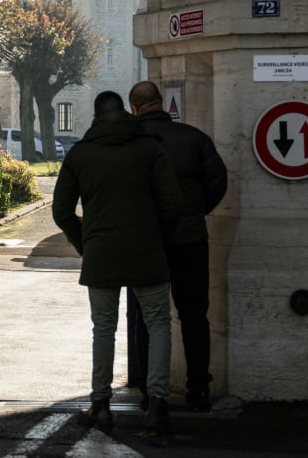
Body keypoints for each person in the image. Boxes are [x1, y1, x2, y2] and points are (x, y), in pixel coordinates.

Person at [52, 91, 183, 433]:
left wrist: (86, 243)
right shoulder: (149, 148)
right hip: (146, 250)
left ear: (95, 118)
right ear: (126, 113)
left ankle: (100, 404)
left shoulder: (80, 154)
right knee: (158, 324)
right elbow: (172, 201)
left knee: (103, 328)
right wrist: (157, 237)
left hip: (101, 253)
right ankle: (158, 405)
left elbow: (61, 211)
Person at [126, 80, 228, 412]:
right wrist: (195, 213)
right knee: (194, 314)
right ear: (160, 103)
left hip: (145, 241)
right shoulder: (194, 138)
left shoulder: (129, 143)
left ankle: (149, 389)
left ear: (135, 108)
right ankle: (198, 387)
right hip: (190, 239)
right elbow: (217, 183)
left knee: (147, 317)